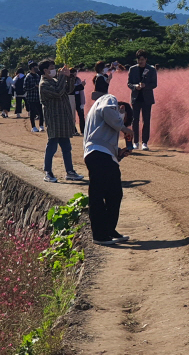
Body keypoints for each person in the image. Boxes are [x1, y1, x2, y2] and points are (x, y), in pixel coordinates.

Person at [83, 93, 135, 245]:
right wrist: (124, 128)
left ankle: (109, 230)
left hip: (103, 155)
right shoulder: (109, 99)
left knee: (114, 194)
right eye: (124, 119)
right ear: (122, 108)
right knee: (98, 195)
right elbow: (108, 111)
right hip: (98, 154)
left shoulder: (105, 119)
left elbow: (104, 136)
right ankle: (100, 235)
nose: (121, 126)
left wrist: (119, 154)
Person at [38, 60, 84, 183]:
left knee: (66, 147)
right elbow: (58, 92)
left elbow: (68, 90)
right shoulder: (44, 84)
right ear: (45, 70)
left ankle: (70, 172)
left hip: (62, 119)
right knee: (52, 146)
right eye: (52, 68)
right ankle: (48, 172)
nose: (54, 69)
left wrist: (70, 77)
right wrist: (62, 76)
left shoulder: (54, 81)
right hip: (54, 119)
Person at [127, 50, 157, 151]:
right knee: (135, 121)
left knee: (146, 121)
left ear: (146, 59)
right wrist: (136, 87)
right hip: (135, 98)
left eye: (142, 60)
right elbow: (129, 83)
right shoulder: (132, 69)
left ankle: (145, 142)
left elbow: (154, 84)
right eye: (139, 60)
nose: (140, 62)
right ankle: (136, 142)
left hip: (147, 99)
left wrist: (145, 86)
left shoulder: (151, 69)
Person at [24, 61, 44, 132]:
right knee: (32, 112)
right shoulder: (28, 77)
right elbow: (25, 88)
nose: (36, 68)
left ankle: (41, 125)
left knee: (41, 112)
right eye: (35, 67)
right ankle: (33, 127)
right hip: (31, 97)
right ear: (32, 68)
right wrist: (34, 87)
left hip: (38, 97)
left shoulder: (38, 76)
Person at [71, 67, 86, 134]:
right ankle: (73, 130)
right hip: (71, 98)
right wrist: (81, 86)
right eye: (73, 73)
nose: (74, 75)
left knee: (81, 115)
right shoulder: (69, 80)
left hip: (78, 98)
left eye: (75, 73)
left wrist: (82, 102)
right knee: (72, 115)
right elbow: (72, 90)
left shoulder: (78, 79)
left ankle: (83, 130)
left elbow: (81, 92)